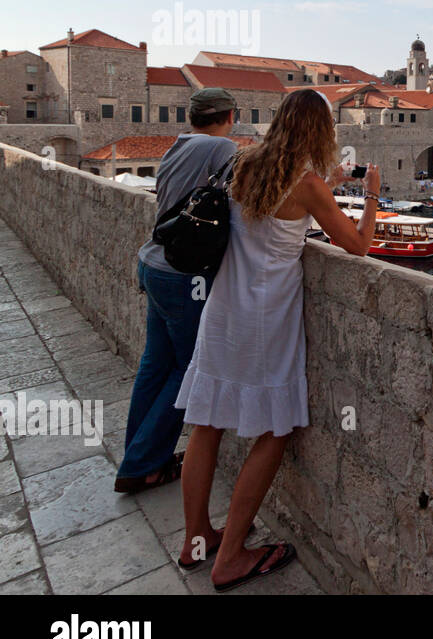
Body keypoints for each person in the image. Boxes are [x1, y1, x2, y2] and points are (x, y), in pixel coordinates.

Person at [174, 89, 380, 591]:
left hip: (222, 311)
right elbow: (357, 245)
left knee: (205, 424)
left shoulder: (244, 165)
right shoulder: (308, 185)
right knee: (276, 430)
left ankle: (196, 539)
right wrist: (371, 193)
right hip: (266, 321)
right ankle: (231, 558)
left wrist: (321, 182)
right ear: (321, 132)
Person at [114, 88, 239, 494]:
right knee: (187, 370)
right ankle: (143, 465)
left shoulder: (179, 144)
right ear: (229, 115)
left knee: (155, 364)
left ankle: (139, 456)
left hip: (153, 262)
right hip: (183, 275)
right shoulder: (220, 146)